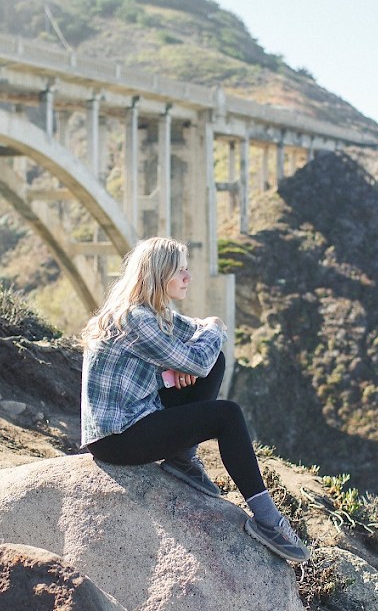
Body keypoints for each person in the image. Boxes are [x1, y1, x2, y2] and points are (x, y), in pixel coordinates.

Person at [79, 236, 310, 563]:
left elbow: (200, 343)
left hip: (137, 417)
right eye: (181, 272)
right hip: (118, 438)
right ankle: (268, 521)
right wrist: (211, 331)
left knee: (214, 360)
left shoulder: (153, 312)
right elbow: (200, 354)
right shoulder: (136, 319)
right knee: (227, 415)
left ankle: (181, 459)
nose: (188, 278)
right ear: (159, 276)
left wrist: (197, 347)